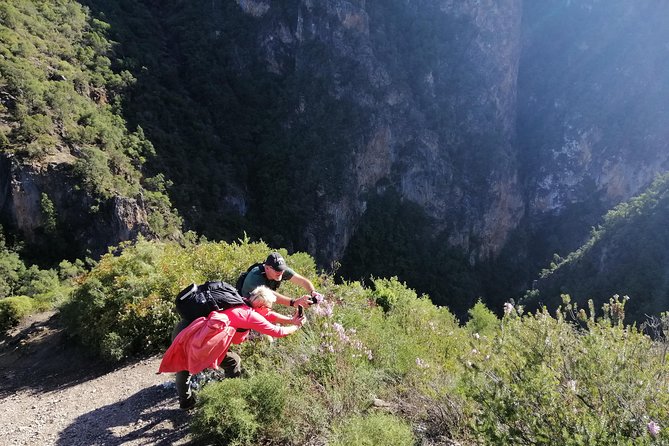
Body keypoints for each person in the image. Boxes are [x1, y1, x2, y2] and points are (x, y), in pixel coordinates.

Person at [160, 286, 304, 410]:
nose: (269, 311)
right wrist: (295, 326)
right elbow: (277, 332)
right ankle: (231, 396)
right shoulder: (249, 315)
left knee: (184, 368)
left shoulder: (239, 301)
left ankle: (187, 403)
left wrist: (291, 320)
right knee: (232, 362)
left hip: (186, 328)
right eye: (268, 307)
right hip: (197, 339)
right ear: (260, 306)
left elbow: (268, 315)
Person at [239, 252, 322, 309]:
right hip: (246, 306)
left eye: (282, 269)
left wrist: (312, 292)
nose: (280, 272)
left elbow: (302, 281)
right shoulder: (255, 277)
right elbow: (270, 294)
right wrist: (294, 302)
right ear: (267, 268)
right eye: (277, 270)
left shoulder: (280, 271)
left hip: (263, 305)